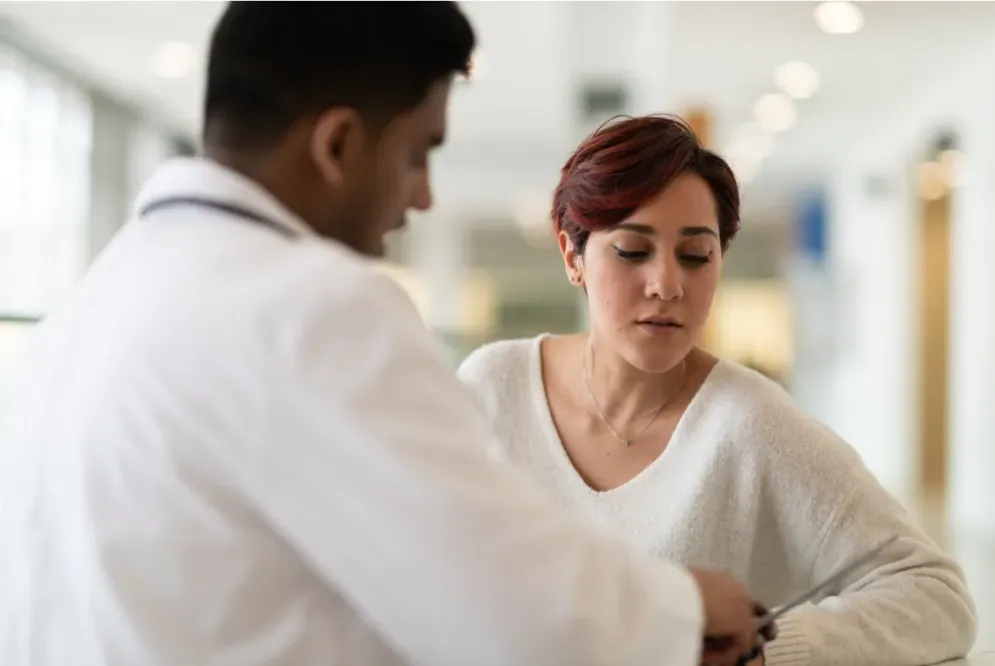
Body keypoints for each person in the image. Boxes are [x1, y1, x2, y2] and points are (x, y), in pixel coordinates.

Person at [0, 5, 764, 666]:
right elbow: (502, 601)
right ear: (336, 146)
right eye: (417, 153)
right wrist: (691, 610)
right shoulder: (314, 307)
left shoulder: (91, 304)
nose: (424, 195)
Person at [457, 114, 979, 666]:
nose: (667, 284)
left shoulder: (749, 423)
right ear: (572, 256)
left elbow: (937, 597)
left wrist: (757, 654)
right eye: (633, 251)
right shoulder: (494, 387)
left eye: (696, 255)